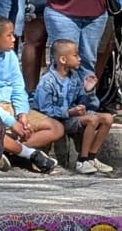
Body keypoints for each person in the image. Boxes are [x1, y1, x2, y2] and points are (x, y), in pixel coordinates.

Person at [0, 15, 61, 173]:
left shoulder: (10, 56)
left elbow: (18, 87)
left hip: (11, 107)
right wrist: (12, 122)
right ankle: (29, 154)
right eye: (9, 35)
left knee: (56, 128)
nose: (14, 39)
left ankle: (6, 151)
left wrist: (22, 114)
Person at [33, 39, 115, 174]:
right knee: (92, 120)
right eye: (75, 55)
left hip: (72, 116)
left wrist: (88, 91)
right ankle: (82, 160)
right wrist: (69, 112)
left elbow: (81, 100)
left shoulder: (74, 77)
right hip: (57, 120)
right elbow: (44, 110)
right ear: (63, 59)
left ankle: (92, 157)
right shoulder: (47, 81)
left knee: (107, 118)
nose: (79, 59)